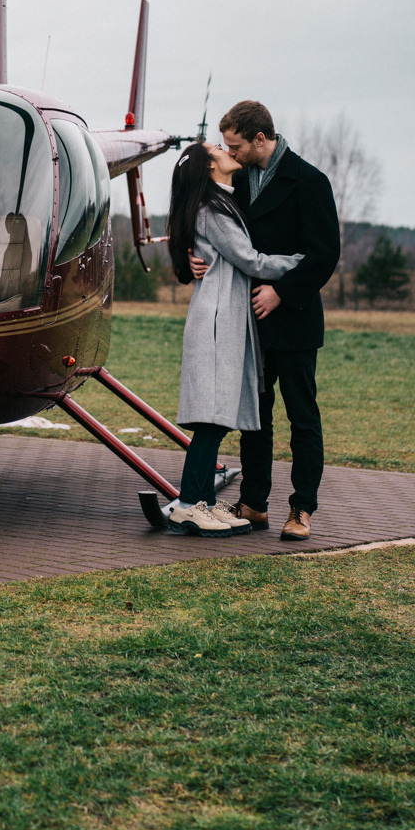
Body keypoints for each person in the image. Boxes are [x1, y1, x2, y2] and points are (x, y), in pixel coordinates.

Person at [190, 101, 340, 541]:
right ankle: (254, 503)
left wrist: (282, 291)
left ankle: (302, 508)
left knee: (302, 416)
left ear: (261, 139)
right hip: (247, 319)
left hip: (293, 320)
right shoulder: (235, 182)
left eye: (236, 146)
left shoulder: (310, 181)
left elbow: (325, 255)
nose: (230, 154)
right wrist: (193, 256)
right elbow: (215, 231)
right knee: (254, 416)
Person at [163, 140, 303, 538]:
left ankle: (201, 501)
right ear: (209, 167)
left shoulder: (219, 201)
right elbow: (250, 260)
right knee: (211, 418)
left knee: (217, 417)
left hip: (223, 319)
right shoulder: (213, 209)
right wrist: (299, 263)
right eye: (218, 149)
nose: (227, 150)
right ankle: (190, 504)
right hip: (217, 322)